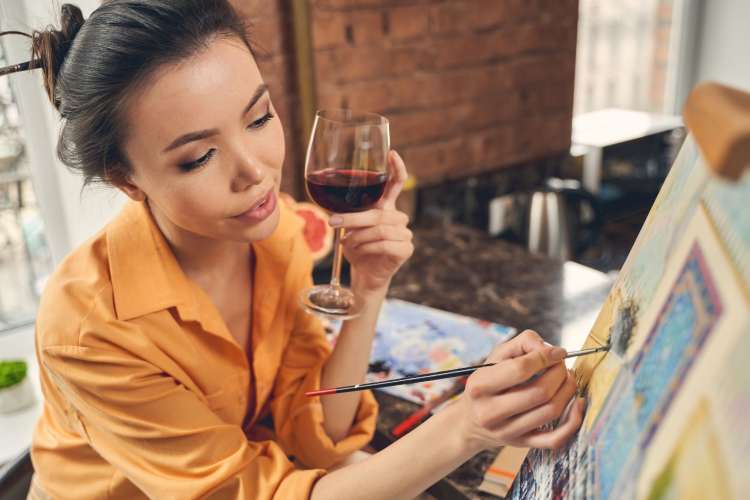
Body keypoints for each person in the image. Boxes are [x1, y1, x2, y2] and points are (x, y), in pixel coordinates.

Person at [1, 1, 584, 498]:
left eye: (259, 118)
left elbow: (312, 427)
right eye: (198, 157)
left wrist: (370, 286)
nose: (254, 171)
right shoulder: (90, 329)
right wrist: (467, 426)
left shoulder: (276, 234)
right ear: (127, 180)